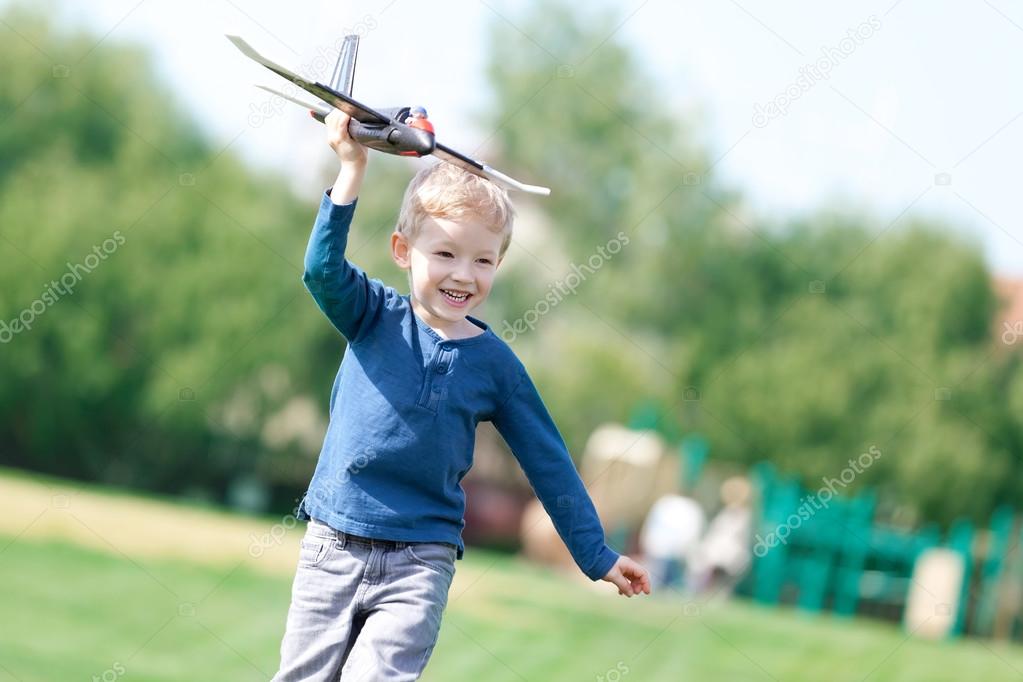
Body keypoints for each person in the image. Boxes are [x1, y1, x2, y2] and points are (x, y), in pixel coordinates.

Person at [272, 110, 650, 681]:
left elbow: (547, 460)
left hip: (420, 560)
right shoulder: (372, 314)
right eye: (445, 253)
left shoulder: (495, 367)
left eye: (482, 260)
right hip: (334, 542)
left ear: (499, 262)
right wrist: (352, 167)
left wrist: (594, 554)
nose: (463, 274)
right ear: (403, 249)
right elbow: (320, 270)